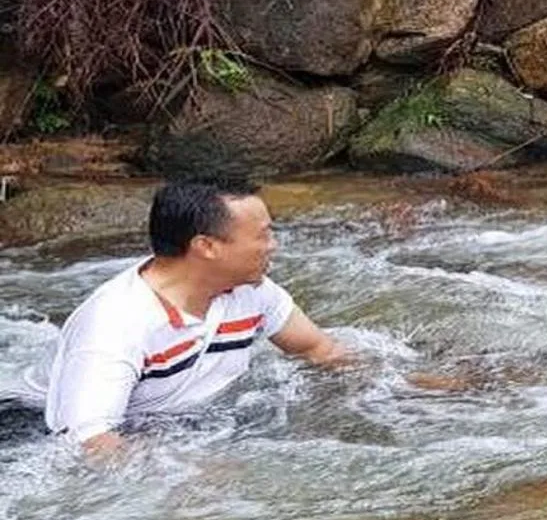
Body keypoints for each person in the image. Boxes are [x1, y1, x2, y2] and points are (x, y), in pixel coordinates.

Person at [17, 177, 358, 458]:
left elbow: (319, 349)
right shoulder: (115, 323)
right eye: (263, 235)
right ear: (206, 247)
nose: (274, 246)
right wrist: (183, 472)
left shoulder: (250, 291)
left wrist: (399, 389)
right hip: (26, 434)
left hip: (177, 425)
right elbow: (87, 442)